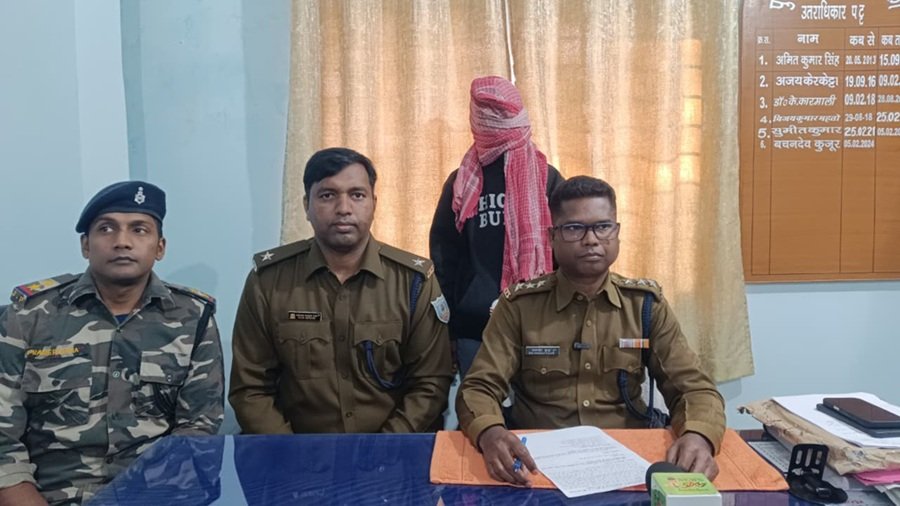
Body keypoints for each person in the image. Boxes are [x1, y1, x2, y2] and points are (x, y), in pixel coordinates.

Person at [456, 176, 725, 486]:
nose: (591, 240)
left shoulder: (645, 306)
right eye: (574, 228)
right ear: (552, 237)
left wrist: (698, 435)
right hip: (538, 466)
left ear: (617, 232)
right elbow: (479, 387)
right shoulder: (519, 307)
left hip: (628, 460)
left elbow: (695, 389)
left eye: (603, 226)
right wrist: (490, 432)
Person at [0, 181, 224, 505]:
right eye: (106, 229)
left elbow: (198, 430)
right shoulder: (28, 317)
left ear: (160, 247)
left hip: (158, 496)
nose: (122, 242)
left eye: (139, 230)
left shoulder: (193, 318)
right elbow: (3, 438)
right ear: (85, 245)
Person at [229, 147, 453, 434]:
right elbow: (250, 389)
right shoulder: (269, 282)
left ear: (374, 203)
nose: (344, 208)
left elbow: (430, 383)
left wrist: (384, 448)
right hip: (294, 451)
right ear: (306, 205)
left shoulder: (413, 282)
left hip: (393, 449)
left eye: (357, 195)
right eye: (327, 195)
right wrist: (289, 451)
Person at [430, 75, 564, 378]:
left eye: (502, 112)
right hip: (474, 330)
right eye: (488, 112)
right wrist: (448, 330)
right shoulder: (462, 182)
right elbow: (444, 260)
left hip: (540, 327)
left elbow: (567, 254)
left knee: (539, 408)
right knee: (480, 406)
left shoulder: (547, 178)